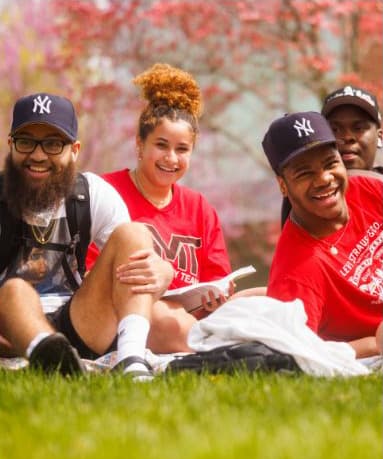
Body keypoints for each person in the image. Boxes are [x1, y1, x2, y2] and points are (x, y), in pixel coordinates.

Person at [0, 92, 174, 378]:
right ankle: (50, 356)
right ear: (11, 145)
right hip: (12, 327)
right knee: (15, 289)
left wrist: (162, 269)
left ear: (75, 150)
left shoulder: (91, 193)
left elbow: (134, 253)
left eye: (54, 144)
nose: (38, 155)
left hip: (79, 321)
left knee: (134, 232)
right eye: (26, 142)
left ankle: (131, 359)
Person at [87, 64, 253, 350]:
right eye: (161, 145)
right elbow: (89, 277)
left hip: (191, 316)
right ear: (139, 144)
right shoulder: (106, 192)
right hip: (122, 314)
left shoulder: (198, 206)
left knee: (264, 298)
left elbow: (216, 279)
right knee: (172, 322)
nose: (171, 158)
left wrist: (217, 296)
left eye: (182, 149)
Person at [262, 111, 383, 359]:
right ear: (283, 184)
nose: (324, 179)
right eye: (304, 173)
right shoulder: (295, 271)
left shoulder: (367, 188)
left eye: (330, 163)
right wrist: (374, 343)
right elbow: (301, 355)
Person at [281, 85, 383, 226]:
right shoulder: (308, 196)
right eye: (334, 129)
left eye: (358, 128)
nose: (347, 137)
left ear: (380, 136)